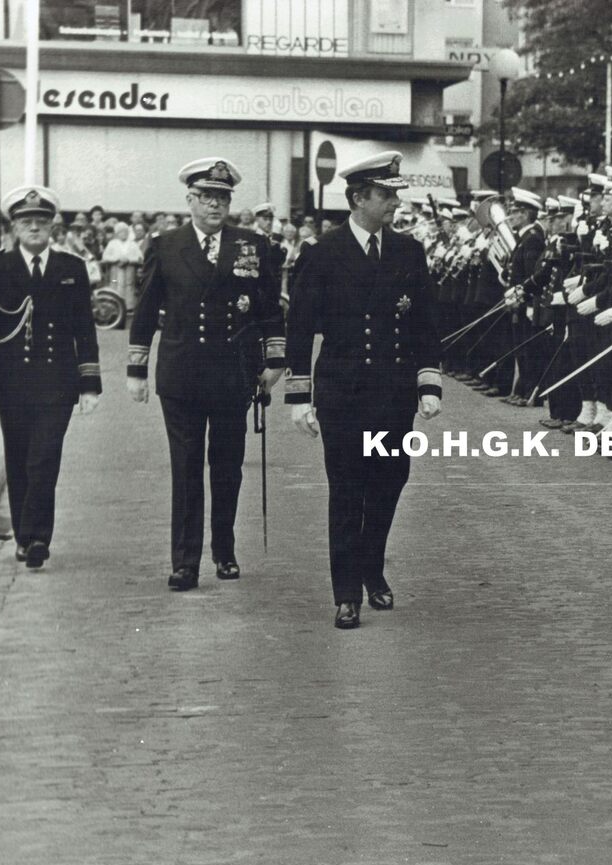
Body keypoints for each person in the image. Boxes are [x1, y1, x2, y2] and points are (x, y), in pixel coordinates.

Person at [285, 150, 443, 630]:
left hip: (393, 395)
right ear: (358, 199)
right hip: (343, 393)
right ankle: (347, 592)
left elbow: (425, 323)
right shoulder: (322, 253)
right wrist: (299, 396)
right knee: (347, 489)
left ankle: (372, 565)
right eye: (385, 195)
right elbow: (300, 328)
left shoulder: (409, 251)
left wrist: (429, 383)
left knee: (390, 482)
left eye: (395, 194)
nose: (395, 203)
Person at [127, 157, 286, 591]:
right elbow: (145, 309)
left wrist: (274, 360)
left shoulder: (252, 245)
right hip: (181, 374)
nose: (215, 205)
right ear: (190, 200)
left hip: (233, 373)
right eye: (207, 197)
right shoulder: (165, 245)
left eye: (222, 198)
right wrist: (136, 369)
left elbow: (269, 307)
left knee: (228, 467)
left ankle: (224, 549)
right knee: (185, 469)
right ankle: (185, 562)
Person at [0, 185, 102, 568]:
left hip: (58, 382)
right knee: (19, 457)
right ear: (14, 227)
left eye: (42, 221)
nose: (35, 227)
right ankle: (26, 539)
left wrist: (89, 384)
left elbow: (84, 328)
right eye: (27, 222)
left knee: (44, 457)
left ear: (53, 226)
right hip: (12, 382)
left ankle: (37, 537)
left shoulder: (71, 268)